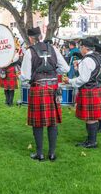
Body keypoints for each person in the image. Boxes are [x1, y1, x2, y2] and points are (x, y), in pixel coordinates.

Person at [20, 27, 69, 161]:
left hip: (38, 88)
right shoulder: (54, 49)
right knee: (52, 122)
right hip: (53, 88)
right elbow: (66, 68)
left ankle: (40, 153)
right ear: (40, 36)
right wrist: (54, 72)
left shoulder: (29, 52)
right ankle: (52, 154)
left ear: (31, 38)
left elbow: (25, 76)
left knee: (38, 123)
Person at [64, 37, 101, 149]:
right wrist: (78, 68)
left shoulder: (87, 60)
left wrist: (70, 81)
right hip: (97, 88)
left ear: (85, 48)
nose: (80, 49)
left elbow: (83, 79)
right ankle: (91, 140)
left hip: (89, 90)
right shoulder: (100, 58)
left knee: (90, 117)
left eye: (80, 47)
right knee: (94, 117)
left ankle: (92, 142)